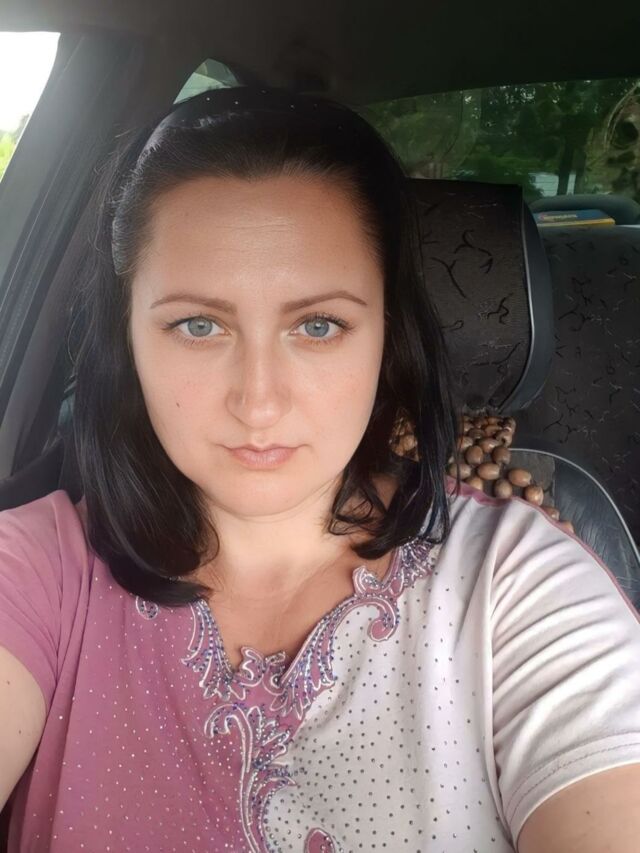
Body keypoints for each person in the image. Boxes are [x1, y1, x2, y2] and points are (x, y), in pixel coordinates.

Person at [0, 86, 639, 853]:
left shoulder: (517, 588)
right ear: (128, 337)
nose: (258, 400)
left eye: (318, 324)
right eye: (198, 324)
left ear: (386, 334)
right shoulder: (38, 568)